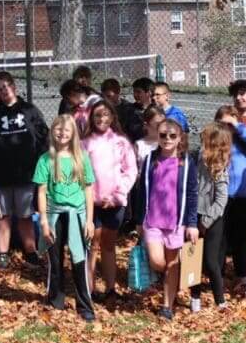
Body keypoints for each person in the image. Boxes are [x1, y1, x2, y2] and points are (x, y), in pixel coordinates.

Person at [0, 71, 49, 267]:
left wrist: (44, 167)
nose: (3, 92)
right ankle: (3, 253)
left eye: (6, 87)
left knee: (26, 215)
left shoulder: (30, 110)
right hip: (1, 176)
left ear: (13, 87)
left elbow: (44, 139)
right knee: (3, 217)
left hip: (26, 175)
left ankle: (30, 251)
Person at [35, 115, 97, 323]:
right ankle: (55, 300)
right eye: (58, 130)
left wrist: (89, 220)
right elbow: (42, 192)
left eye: (66, 131)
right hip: (54, 215)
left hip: (77, 215)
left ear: (73, 134)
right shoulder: (45, 159)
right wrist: (44, 221)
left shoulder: (82, 158)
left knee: (79, 260)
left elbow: (89, 189)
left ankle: (84, 305)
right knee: (55, 261)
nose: (62, 134)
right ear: (53, 132)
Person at [138, 115, 197, 320]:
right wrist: (139, 220)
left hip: (176, 222)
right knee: (157, 261)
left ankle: (167, 305)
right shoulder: (150, 160)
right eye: (163, 135)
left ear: (180, 138)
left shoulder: (186, 162)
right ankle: (168, 279)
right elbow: (141, 191)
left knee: (172, 262)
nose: (167, 139)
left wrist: (192, 223)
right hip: (153, 220)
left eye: (172, 135)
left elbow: (191, 193)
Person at [81, 100, 138, 298]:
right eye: (97, 115)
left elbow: (130, 171)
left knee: (108, 244)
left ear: (112, 117)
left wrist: (116, 196)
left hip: (114, 203)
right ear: (92, 118)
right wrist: (93, 198)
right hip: (92, 205)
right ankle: (89, 288)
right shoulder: (85, 143)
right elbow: (81, 173)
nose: (102, 119)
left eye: (106, 115)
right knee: (92, 245)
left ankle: (110, 287)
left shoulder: (121, 142)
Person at [215, 103, 246, 280]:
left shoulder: (243, 140)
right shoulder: (216, 142)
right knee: (222, 236)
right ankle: (218, 273)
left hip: (243, 194)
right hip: (222, 196)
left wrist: (238, 128)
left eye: (230, 124)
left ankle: (241, 272)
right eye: (223, 124)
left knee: (241, 238)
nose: (227, 128)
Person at [190, 122, 233, 311]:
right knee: (193, 259)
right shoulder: (196, 159)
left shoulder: (220, 169)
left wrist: (206, 222)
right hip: (193, 217)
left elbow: (221, 200)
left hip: (212, 219)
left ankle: (220, 300)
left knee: (210, 261)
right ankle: (195, 297)